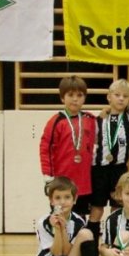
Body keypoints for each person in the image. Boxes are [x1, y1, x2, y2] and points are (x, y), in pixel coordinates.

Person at [88, 79, 129, 256]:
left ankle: (116, 249)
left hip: (119, 170)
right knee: (96, 210)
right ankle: (92, 254)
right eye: (117, 95)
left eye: (125, 96)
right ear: (109, 97)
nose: (121, 99)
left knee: (118, 210)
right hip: (99, 170)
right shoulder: (98, 119)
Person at [29, 176, 104, 256]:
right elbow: (57, 253)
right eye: (58, 198)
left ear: (75, 199)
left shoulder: (78, 222)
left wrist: (63, 229)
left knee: (86, 233)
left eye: (67, 197)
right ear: (51, 201)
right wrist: (57, 229)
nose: (62, 202)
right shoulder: (43, 222)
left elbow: (67, 253)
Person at [40, 75, 96, 217]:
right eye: (70, 95)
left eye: (79, 95)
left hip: (83, 183)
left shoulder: (90, 119)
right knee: (59, 218)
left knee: (80, 218)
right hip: (61, 182)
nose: (75, 99)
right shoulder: (56, 121)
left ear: (85, 98)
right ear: (62, 98)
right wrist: (48, 177)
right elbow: (45, 149)